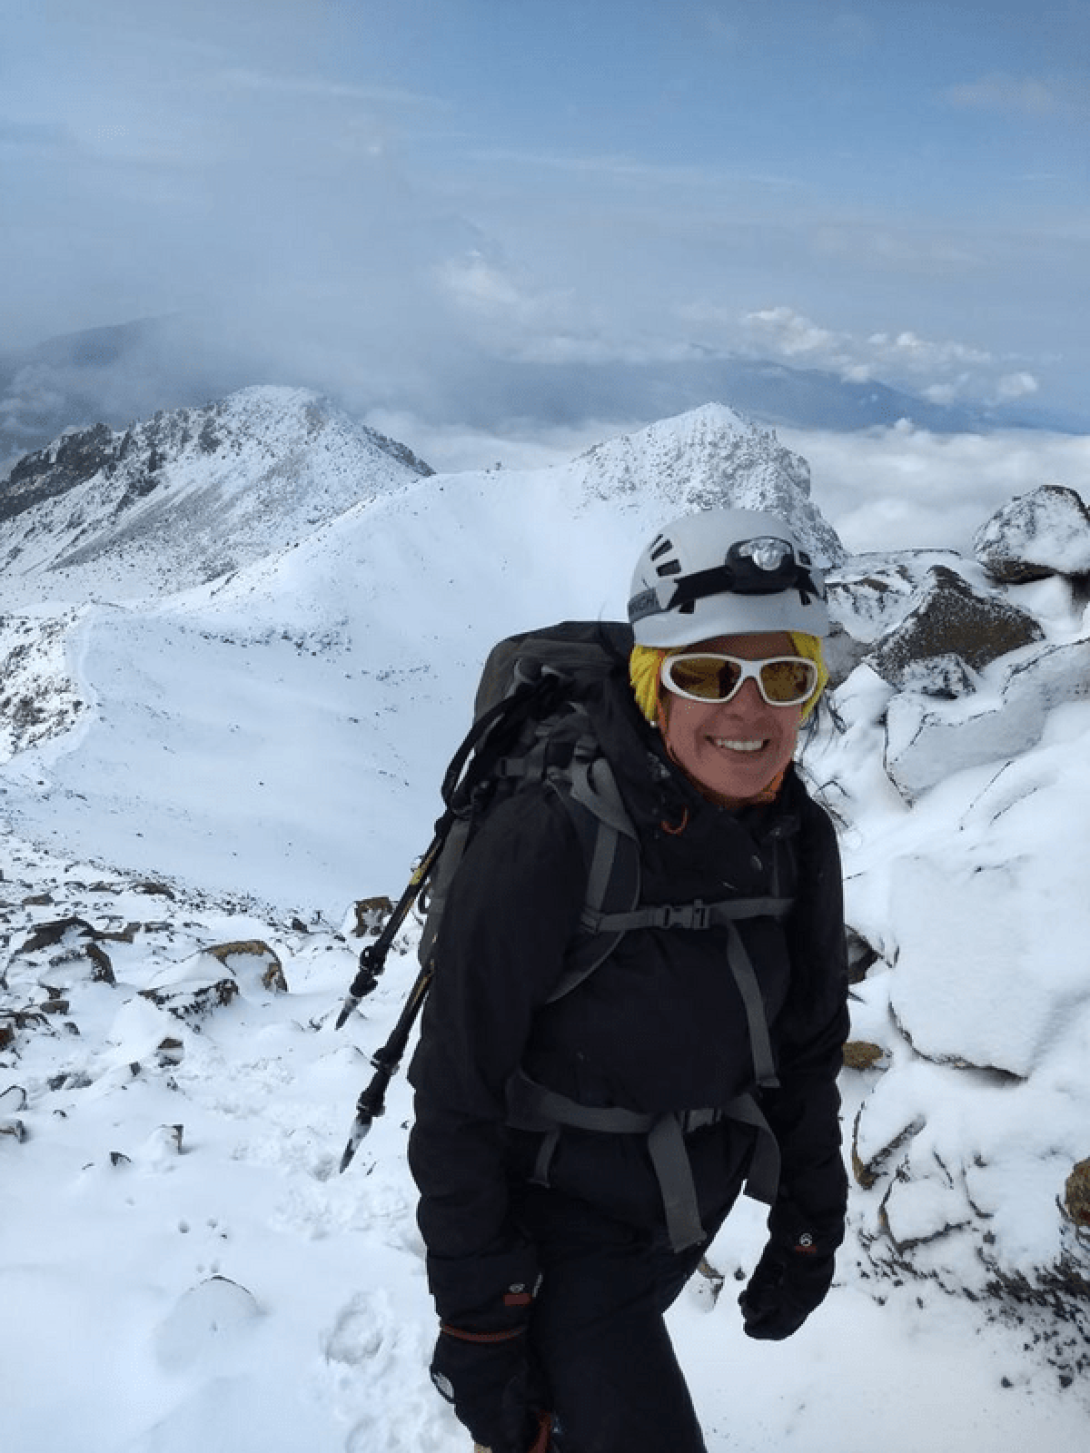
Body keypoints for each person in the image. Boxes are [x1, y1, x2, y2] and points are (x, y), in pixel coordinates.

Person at [408, 508, 850, 1453]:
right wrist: (482, 1317)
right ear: (654, 685)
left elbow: (807, 1044)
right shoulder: (550, 837)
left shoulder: (798, 838)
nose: (749, 709)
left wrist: (814, 1215)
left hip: (686, 1207)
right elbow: (456, 1087)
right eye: (706, 673)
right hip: (557, 1224)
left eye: (785, 676)